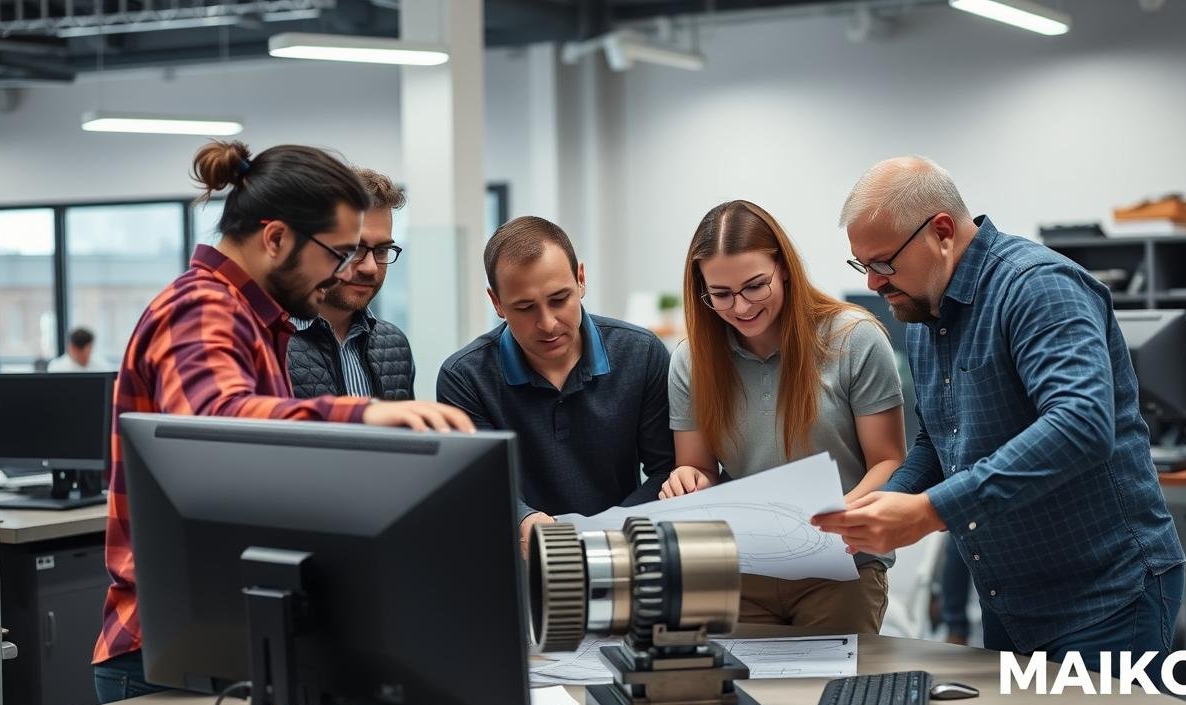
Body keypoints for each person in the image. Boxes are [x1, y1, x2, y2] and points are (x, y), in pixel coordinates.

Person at [91, 140, 474, 704]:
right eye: (336, 253)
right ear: (275, 239)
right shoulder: (200, 308)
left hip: (221, 638)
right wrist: (366, 413)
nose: (347, 271)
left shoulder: (252, 319)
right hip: (170, 654)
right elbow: (217, 425)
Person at [816, 156, 1185, 671]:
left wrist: (929, 512)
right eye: (864, 266)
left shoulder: (1038, 286)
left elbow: (1080, 425)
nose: (875, 284)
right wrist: (885, 500)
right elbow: (940, 441)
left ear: (942, 232)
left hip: (1103, 594)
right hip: (1010, 596)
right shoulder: (924, 315)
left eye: (883, 264)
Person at [660, 200, 906, 634]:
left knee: (833, 697)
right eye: (720, 294)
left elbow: (889, 462)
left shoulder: (854, 338)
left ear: (784, 268)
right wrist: (688, 481)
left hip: (842, 564)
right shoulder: (692, 360)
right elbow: (698, 468)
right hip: (743, 566)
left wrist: (834, 519)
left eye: (756, 286)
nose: (740, 307)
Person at [437, 216, 673, 557]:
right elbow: (477, 486)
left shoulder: (641, 353)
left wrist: (608, 532)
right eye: (525, 307)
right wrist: (523, 520)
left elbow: (666, 469)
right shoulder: (465, 378)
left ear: (580, 279)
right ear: (497, 303)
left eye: (559, 299)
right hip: (518, 564)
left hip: (622, 554)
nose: (547, 323)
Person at [288, 167, 415, 400]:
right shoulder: (268, 342)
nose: (371, 267)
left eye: (382, 250)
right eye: (355, 248)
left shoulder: (394, 346)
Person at [47, 327, 115, 372]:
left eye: (90, 349)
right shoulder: (56, 367)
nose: (88, 354)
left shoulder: (101, 364)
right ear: (72, 348)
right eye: (84, 351)